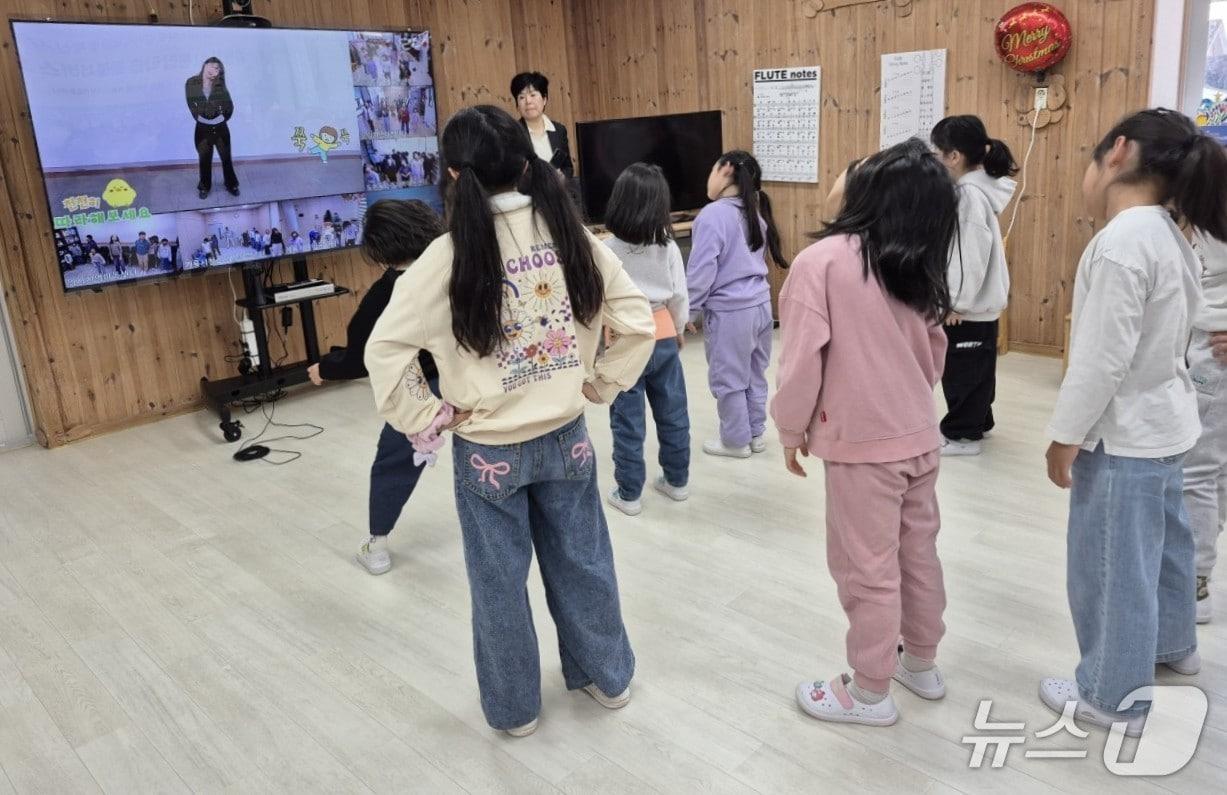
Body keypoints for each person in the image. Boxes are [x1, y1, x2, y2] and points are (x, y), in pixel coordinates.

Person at [365, 105, 654, 737]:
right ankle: (607, 677)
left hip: (485, 450)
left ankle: (515, 710)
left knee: (498, 585)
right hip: (567, 436)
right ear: (525, 163)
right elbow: (637, 322)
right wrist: (600, 381)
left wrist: (429, 414)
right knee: (585, 562)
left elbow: (382, 351)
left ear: (450, 173)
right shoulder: (572, 234)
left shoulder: (439, 259)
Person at [1041, 109, 1227, 736]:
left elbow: (1099, 362)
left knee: (1112, 564)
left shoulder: (1122, 242)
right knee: (1165, 547)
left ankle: (1112, 694)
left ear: (1117, 153)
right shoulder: (1172, 235)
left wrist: (1063, 438)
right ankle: (1174, 644)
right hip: (1167, 425)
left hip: (1125, 438)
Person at [771, 139, 959, 727]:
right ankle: (921, 664)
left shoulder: (820, 262)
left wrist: (790, 428)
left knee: (865, 567)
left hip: (863, 448)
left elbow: (800, 363)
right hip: (920, 437)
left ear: (868, 193)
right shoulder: (914, 260)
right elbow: (934, 354)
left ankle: (870, 690)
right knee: (918, 554)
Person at [307, 200, 444, 574]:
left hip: (420, 391)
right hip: (473, 378)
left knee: (394, 460)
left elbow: (360, 354)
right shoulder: (456, 265)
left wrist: (325, 368)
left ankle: (378, 544)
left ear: (381, 250)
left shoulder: (387, 292)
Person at [602, 163, 691, 517]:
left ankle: (629, 494)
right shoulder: (668, 246)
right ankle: (677, 481)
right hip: (664, 336)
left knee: (627, 420)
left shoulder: (606, 248)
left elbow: (596, 302)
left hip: (624, 342)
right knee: (673, 412)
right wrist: (680, 330)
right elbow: (679, 297)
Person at [687, 150, 785, 459]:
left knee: (729, 377)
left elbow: (702, 271)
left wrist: (688, 309)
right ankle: (755, 433)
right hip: (760, 307)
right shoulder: (753, 210)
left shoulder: (712, 215)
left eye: (712, 170)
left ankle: (734, 441)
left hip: (731, 313)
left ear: (726, 170)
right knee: (755, 372)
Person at [930, 115, 1018, 456]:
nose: (937, 159)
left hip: (967, 306)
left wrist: (954, 303)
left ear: (954, 156)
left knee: (962, 370)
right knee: (979, 367)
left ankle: (962, 435)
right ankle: (979, 420)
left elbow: (967, 256)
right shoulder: (979, 189)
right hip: (981, 304)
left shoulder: (967, 194)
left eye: (939, 152)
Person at [1183, 233, 1227, 624]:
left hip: (1216, 355)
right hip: (1208, 344)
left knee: (1198, 470)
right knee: (1214, 471)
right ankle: (1198, 569)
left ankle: (1195, 579)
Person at [185, 57, 239, 200]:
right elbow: (192, 106)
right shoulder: (191, 83)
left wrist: (220, 119)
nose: (213, 70)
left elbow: (229, 107)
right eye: (212, 66)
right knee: (204, 159)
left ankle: (231, 184)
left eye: (217, 69)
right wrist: (206, 120)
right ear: (205, 65)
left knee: (226, 158)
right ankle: (204, 186)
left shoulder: (220, 86)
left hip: (221, 128)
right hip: (202, 129)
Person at [511, 72, 574, 178]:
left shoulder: (559, 130)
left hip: (557, 191)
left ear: (544, 99)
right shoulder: (512, 134)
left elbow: (568, 167)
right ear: (517, 106)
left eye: (533, 95)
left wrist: (563, 176)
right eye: (522, 97)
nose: (528, 101)